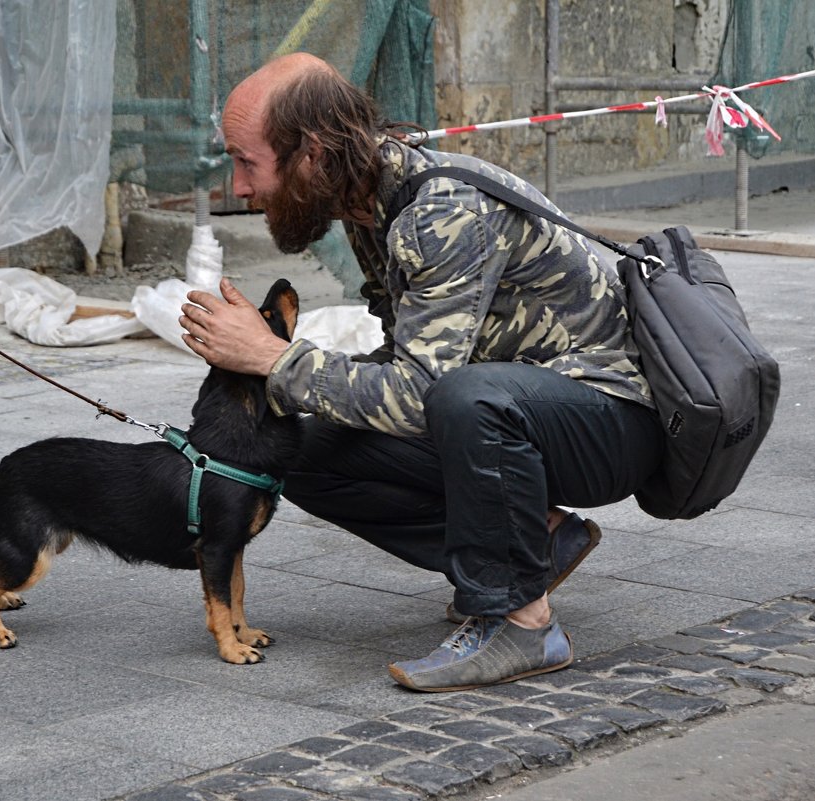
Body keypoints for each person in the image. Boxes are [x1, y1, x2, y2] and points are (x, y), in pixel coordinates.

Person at [179, 53, 663, 692]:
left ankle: (520, 619)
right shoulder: (369, 207)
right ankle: (534, 547)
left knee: (464, 397)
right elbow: (402, 365)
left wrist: (271, 357)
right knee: (295, 444)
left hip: (611, 420)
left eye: (248, 161)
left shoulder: (439, 212)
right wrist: (270, 381)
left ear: (313, 154)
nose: (239, 188)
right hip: (517, 413)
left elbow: (421, 396)